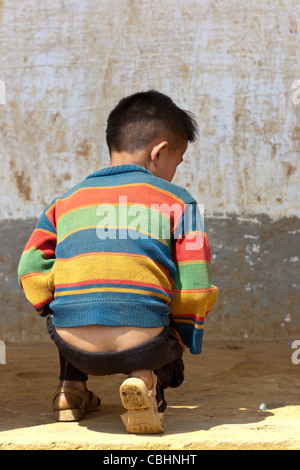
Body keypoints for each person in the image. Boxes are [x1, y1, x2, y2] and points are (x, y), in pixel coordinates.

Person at [18, 90, 218, 434]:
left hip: (74, 345)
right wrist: (185, 340)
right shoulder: (181, 203)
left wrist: (52, 305)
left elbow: (30, 268)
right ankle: (147, 379)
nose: (175, 171)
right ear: (159, 152)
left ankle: (70, 392)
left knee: (74, 292)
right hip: (145, 345)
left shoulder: (65, 202)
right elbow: (196, 290)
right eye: (178, 161)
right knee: (173, 352)